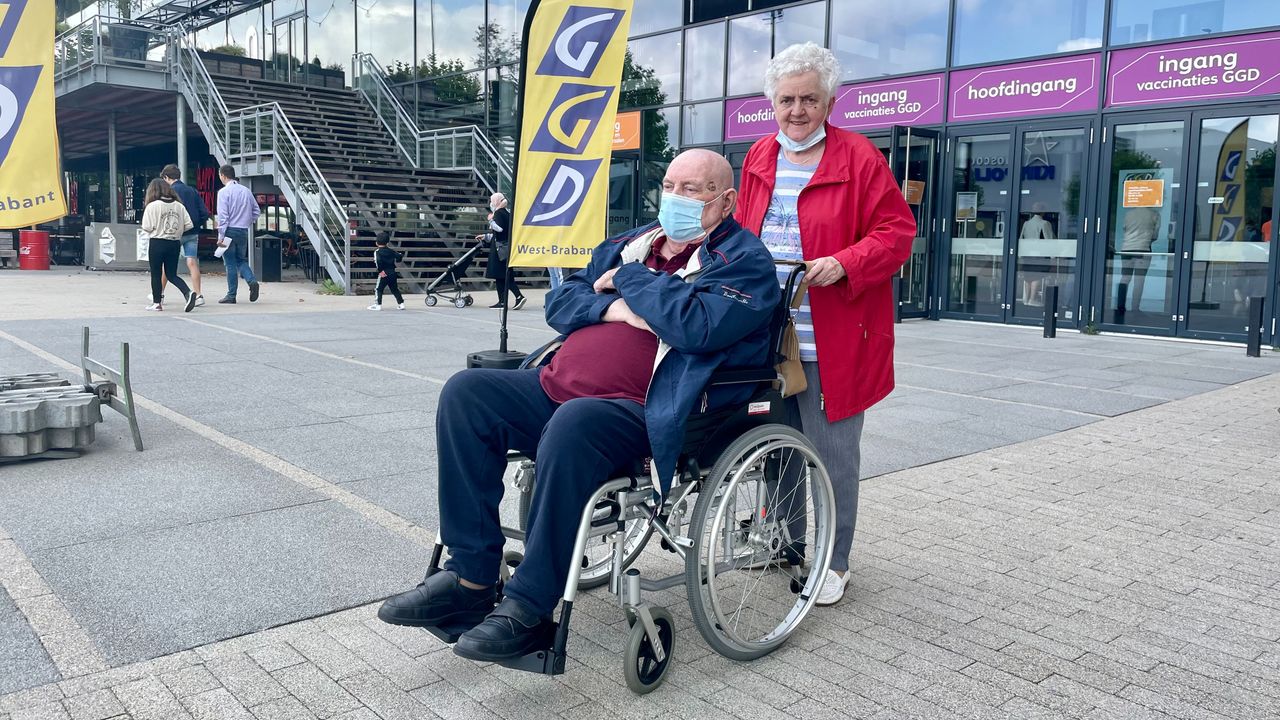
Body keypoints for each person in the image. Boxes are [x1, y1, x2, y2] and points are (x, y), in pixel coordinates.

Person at [378, 149, 779, 662]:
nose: (676, 198)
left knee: (576, 422)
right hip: (557, 386)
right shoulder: (628, 242)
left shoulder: (746, 262)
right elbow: (561, 303)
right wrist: (617, 308)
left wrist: (632, 282)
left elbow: (693, 326)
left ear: (726, 200)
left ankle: (528, 607)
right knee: (466, 392)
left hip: (646, 409)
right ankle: (470, 579)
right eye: (672, 186)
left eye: (694, 190)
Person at [735, 42, 915, 607]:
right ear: (772, 102)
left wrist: (844, 262)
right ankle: (788, 544)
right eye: (786, 99)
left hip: (833, 338)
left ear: (831, 101)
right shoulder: (760, 155)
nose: (797, 110)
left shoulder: (859, 157)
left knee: (833, 456)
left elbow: (896, 233)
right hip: (769, 336)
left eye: (809, 99)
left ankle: (833, 561)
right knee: (776, 446)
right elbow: (741, 231)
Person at [139, 178, 198, 313]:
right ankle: (188, 292)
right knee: (171, 274)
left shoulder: (152, 206)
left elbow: (146, 227)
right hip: (174, 243)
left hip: (157, 242)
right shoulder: (179, 206)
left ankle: (157, 303)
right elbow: (189, 225)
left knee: (156, 274)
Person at [160, 164, 210, 307]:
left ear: (166, 177)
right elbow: (204, 212)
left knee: (167, 265)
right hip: (193, 232)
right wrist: (196, 224)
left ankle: (160, 295)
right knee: (192, 262)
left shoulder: (169, 192)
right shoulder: (192, 191)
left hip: (175, 233)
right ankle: (199, 295)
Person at [215, 164, 261, 304]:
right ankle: (252, 281)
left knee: (230, 263)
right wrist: (246, 222)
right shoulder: (246, 191)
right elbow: (256, 211)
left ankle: (231, 295)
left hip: (228, 230)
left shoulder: (223, 192)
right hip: (242, 230)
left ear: (223, 175)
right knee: (241, 260)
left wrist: (220, 236)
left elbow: (223, 217)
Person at [477, 192, 526, 310]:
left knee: (503, 275)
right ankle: (502, 301)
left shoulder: (498, 213)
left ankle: (518, 296)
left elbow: (499, 229)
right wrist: (486, 236)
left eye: (492, 201)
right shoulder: (507, 213)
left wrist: (490, 221)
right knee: (500, 275)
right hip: (505, 247)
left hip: (499, 250)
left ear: (496, 202)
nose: (491, 203)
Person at [1117, 205, 1159, 315]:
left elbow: (1124, 229)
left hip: (1126, 249)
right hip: (1143, 249)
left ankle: (1120, 307)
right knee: (1139, 280)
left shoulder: (1128, 214)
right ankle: (1135, 308)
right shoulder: (1154, 214)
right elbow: (1154, 236)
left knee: (1125, 278)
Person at [1018, 202, 1056, 307]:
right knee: (1037, 276)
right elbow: (1049, 240)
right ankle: (1032, 299)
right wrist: (1053, 256)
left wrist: (1020, 255)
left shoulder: (1026, 223)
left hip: (1027, 254)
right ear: (1043, 211)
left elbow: (1021, 239)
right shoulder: (1045, 223)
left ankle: (1026, 299)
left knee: (1028, 277)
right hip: (1039, 254)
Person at [368, 231, 406, 311]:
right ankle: (401, 304)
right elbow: (399, 256)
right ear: (387, 242)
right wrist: (400, 257)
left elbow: (378, 261)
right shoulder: (391, 251)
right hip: (392, 272)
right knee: (394, 289)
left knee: (379, 289)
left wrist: (380, 271)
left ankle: (378, 304)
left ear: (376, 243)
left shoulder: (377, 252)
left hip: (383, 273)